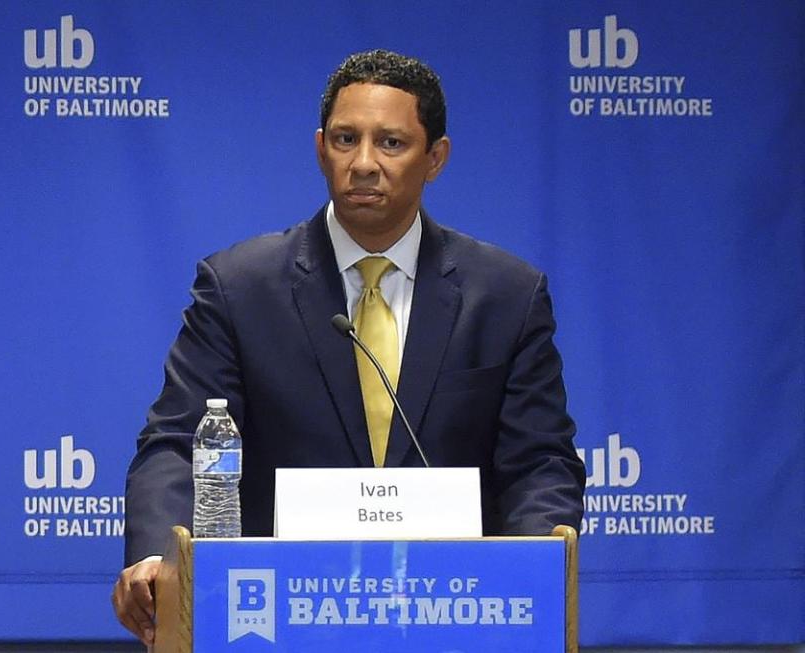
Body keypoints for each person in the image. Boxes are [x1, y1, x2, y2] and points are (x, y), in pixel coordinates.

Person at [111, 49, 585, 645]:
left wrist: (533, 574)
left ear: (435, 157)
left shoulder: (506, 295)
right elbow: (179, 441)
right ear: (319, 148)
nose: (363, 163)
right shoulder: (240, 286)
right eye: (345, 139)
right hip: (278, 619)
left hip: (451, 613)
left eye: (390, 143)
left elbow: (540, 461)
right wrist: (162, 557)